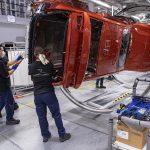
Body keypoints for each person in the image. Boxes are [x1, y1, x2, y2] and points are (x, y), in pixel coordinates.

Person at [28, 46, 71, 143]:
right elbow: (53, 75)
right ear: (43, 54)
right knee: (56, 114)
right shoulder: (48, 64)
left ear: (34, 55)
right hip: (48, 94)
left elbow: (32, 76)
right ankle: (62, 135)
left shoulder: (31, 66)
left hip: (37, 95)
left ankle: (45, 136)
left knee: (41, 117)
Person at [0, 46, 23, 125]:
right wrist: (16, 66)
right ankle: (9, 119)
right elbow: (7, 74)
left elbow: (7, 64)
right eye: (1, 51)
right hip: (4, 85)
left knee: (2, 100)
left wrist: (17, 59)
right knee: (9, 102)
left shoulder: (1, 59)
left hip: (1, 86)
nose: (3, 52)